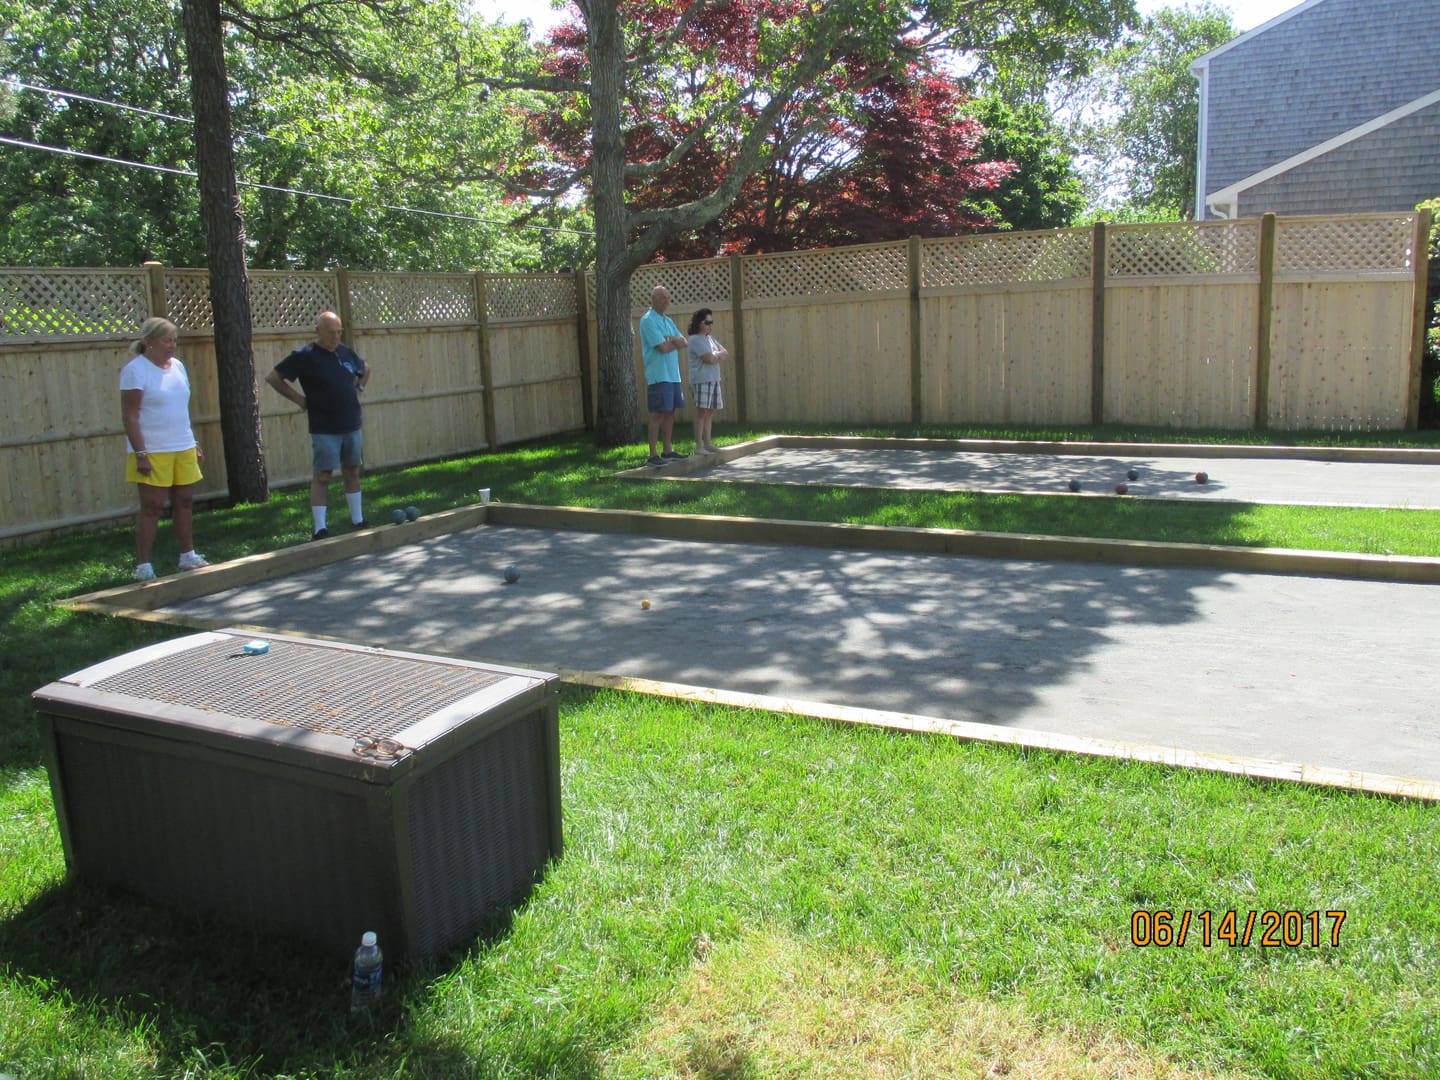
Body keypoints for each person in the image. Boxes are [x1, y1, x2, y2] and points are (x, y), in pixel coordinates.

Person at [266, 311, 371, 540]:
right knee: (323, 475)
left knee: (352, 470)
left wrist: (359, 388)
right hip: (324, 426)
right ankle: (320, 528)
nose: (336, 337)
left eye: (338, 332)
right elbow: (274, 377)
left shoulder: (344, 352)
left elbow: (365, 368)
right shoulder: (305, 355)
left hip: (351, 422)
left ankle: (358, 520)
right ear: (318, 332)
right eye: (331, 332)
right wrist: (299, 400)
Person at [119, 317, 208, 581]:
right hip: (152, 449)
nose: (172, 346)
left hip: (182, 445)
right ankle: (144, 565)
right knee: (152, 506)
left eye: (174, 340)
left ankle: (187, 555)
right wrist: (141, 453)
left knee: (184, 501)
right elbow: (130, 416)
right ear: (148, 342)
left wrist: (193, 442)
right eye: (166, 340)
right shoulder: (135, 370)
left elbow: (180, 408)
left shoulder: (178, 367)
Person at [639, 285, 689, 467]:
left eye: (668, 297)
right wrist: (672, 341)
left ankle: (667, 451)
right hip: (658, 375)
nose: (666, 301)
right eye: (662, 298)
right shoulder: (648, 321)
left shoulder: (668, 321)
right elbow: (662, 347)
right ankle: (652, 454)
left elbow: (684, 341)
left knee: (670, 412)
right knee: (657, 414)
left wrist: (672, 340)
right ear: (652, 299)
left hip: (673, 375)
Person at [686, 308, 726, 454]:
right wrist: (716, 356)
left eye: (711, 322)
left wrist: (715, 355)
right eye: (707, 322)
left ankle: (708, 443)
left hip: (714, 379)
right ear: (699, 323)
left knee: (710, 411)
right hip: (701, 380)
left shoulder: (711, 339)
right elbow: (708, 359)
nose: (710, 325)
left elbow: (725, 353)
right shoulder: (695, 339)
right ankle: (698, 446)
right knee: (701, 411)